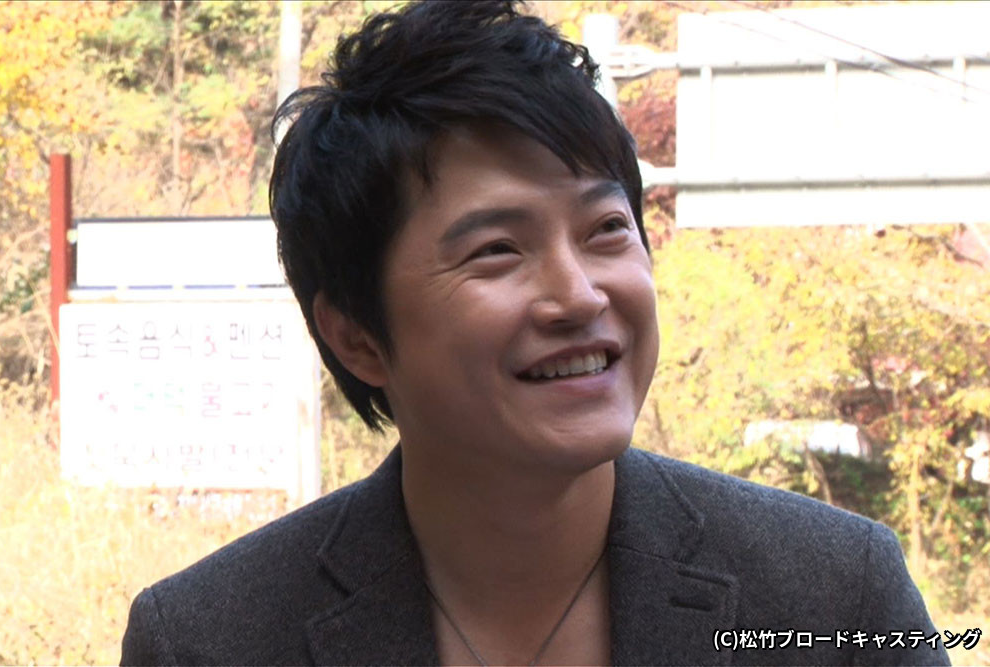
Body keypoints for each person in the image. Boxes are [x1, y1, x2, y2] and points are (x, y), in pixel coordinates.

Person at [121, 2, 949, 665]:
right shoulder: (208, 639)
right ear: (356, 336)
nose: (579, 294)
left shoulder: (837, 595)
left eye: (606, 230)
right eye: (497, 250)